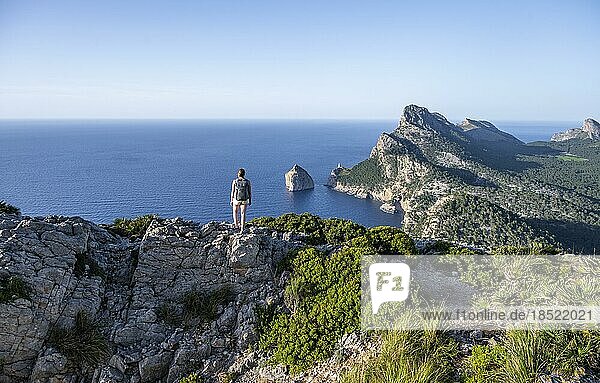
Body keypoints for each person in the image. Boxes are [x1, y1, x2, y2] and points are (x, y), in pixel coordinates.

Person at [230, 168, 252, 233]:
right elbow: (249, 192)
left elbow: (233, 192)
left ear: (238, 174)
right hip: (245, 199)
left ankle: (236, 226)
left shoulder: (235, 181)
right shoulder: (247, 182)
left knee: (235, 212)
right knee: (243, 213)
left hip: (236, 199)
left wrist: (231, 200)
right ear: (244, 174)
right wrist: (250, 200)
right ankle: (242, 228)